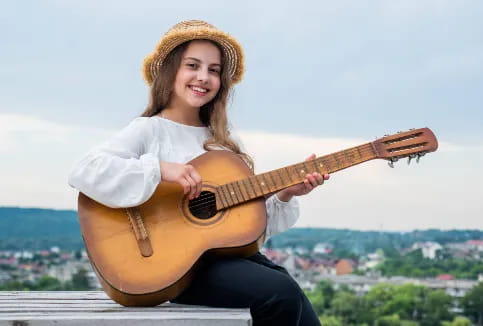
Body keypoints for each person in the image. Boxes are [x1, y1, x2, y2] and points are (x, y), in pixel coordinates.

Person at [68, 20, 328, 326]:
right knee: (280, 290)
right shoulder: (150, 130)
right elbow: (85, 170)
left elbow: (245, 230)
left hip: (223, 260)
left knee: (285, 286)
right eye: (193, 65)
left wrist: (285, 194)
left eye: (214, 70)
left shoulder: (224, 145)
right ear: (171, 71)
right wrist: (160, 169)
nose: (203, 77)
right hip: (170, 266)